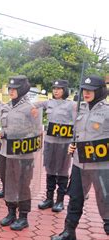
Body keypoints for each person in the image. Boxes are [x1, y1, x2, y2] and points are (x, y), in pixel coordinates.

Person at [51, 75, 109, 240]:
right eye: (84, 89)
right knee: (75, 198)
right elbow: (78, 134)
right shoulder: (81, 108)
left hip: (101, 166)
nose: (86, 93)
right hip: (79, 162)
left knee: (106, 201)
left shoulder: (107, 111)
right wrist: (73, 146)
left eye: (91, 90)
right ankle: (69, 233)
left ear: (100, 91)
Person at [0, 75, 43, 231]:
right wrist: (1, 134)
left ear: (22, 90)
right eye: (10, 88)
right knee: (8, 182)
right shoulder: (7, 107)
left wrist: (8, 134)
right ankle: (10, 212)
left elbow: (35, 132)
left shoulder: (30, 108)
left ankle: (23, 216)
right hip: (6, 152)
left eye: (14, 89)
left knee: (22, 185)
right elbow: (4, 126)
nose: (11, 91)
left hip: (23, 155)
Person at [32, 80, 75, 212]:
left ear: (65, 90)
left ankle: (60, 200)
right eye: (54, 88)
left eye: (59, 88)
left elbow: (76, 123)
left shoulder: (72, 105)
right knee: (50, 169)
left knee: (62, 171)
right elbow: (32, 104)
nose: (56, 91)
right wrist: (33, 108)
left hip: (64, 144)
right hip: (50, 142)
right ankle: (49, 198)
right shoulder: (48, 102)